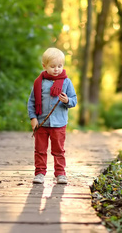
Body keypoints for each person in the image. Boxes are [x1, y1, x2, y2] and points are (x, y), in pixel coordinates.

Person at [27, 47, 77, 184]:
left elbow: (74, 100)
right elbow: (31, 102)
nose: (56, 69)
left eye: (59, 66)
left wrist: (67, 101)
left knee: (59, 150)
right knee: (40, 150)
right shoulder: (39, 83)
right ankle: (39, 173)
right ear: (44, 66)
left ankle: (60, 173)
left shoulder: (66, 82)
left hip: (59, 124)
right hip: (42, 123)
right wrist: (33, 118)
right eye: (53, 66)